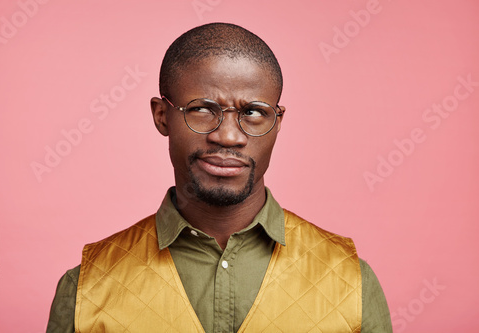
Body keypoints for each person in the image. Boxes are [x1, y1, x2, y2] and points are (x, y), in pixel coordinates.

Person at [47, 23, 392, 333]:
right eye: (202, 108)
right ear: (162, 115)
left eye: (253, 112)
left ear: (278, 122)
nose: (228, 136)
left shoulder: (351, 281)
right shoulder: (86, 289)